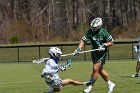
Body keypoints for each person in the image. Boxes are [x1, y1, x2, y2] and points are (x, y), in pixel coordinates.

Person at [74, 17, 115, 93]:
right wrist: (78, 49)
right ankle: (110, 83)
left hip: (102, 53)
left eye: (94, 27)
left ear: (99, 26)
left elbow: (111, 42)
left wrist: (104, 45)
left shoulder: (104, 32)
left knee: (95, 69)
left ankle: (90, 86)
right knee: (100, 70)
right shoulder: (89, 32)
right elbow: (83, 40)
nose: (93, 28)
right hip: (94, 53)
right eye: (92, 27)